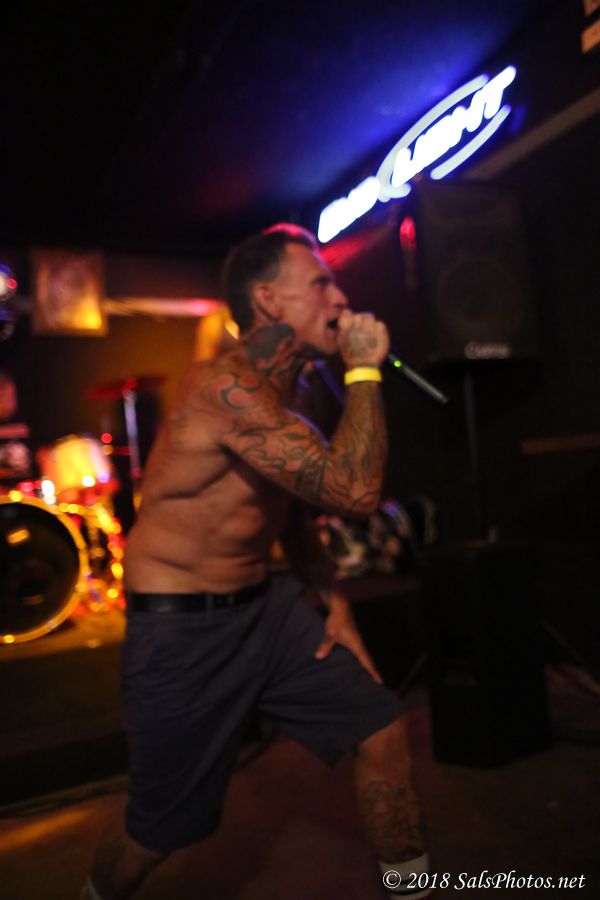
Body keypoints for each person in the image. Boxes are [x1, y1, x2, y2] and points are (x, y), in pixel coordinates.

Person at [82, 224, 430, 900]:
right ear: (268, 300)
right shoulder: (225, 390)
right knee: (158, 832)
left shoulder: (288, 397)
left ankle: (413, 887)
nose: (341, 297)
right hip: (184, 629)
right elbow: (354, 493)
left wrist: (333, 603)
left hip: (266, 609)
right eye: (321, 282)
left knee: (382, 727)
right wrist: (363, 369)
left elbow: (289, 515)